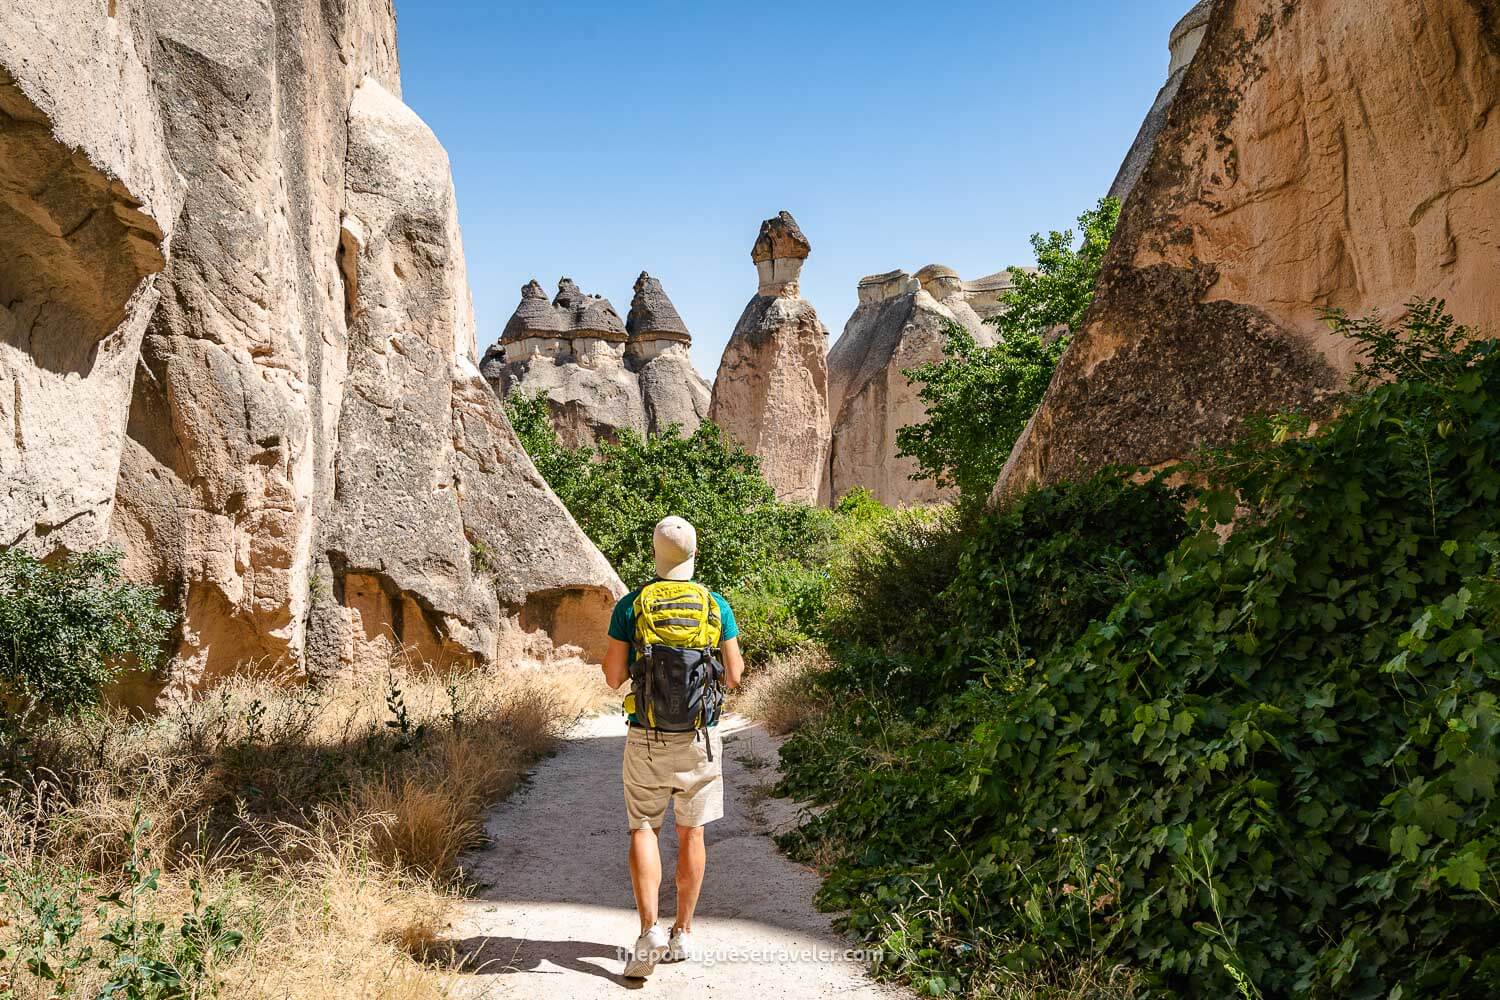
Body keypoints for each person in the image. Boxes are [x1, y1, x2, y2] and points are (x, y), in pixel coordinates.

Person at [601, 515, 744, 980]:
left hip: (647, 734)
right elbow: (735, 675)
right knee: (692, 833)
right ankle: (682, 932)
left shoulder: (632, 605)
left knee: (644, 827)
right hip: (700, 736)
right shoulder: (715, 604)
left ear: (654, 555)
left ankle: (649, 933)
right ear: (694, 555)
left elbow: (612, 676)